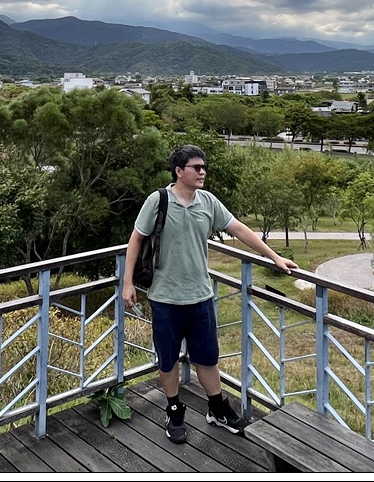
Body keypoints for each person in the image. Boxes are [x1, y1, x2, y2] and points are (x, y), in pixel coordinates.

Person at [122, 144, 299, 444]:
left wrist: (274, 257)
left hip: (201, 297)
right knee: (168, 360)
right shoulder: (158, 200)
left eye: (204, 167)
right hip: (165, 298)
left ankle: (216, 408)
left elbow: (239, 229)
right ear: (179, 171)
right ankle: (174, 410)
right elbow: (136, 239)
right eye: (196, 167)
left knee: (207, 358)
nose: (203, 172)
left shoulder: (208, 202)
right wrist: (127, 283)